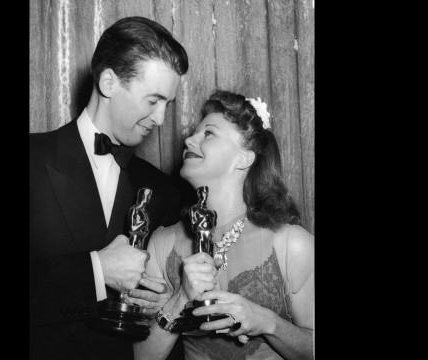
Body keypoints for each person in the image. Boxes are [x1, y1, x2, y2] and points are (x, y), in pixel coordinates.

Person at [30, 16, 188, 360]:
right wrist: (97, 271)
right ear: (108, 83)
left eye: (168, 104)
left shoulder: (164, 190)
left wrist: (160, 303)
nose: (161, 120)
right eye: (153, 100)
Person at [133, 90, 314, 360]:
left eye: (209, 133)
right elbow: (141, 357)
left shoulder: (291, 243)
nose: (189, 139)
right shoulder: (162, 243)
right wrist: (180, 297)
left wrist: (266, 322)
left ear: (243, 158)